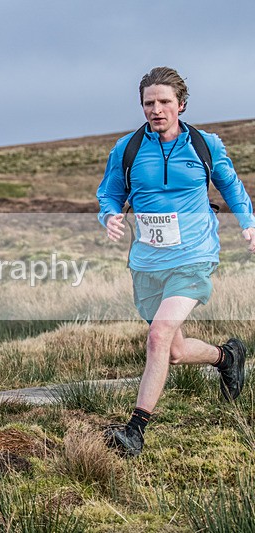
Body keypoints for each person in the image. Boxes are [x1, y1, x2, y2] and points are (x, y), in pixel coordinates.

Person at [97, 66, 255, 457]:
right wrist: (111, 216)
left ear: (181, 105)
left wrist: (248, 223)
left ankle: (135, 430)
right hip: (147, 262)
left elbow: (231, 186)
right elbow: (109, 193)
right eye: (149, 102)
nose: (156, 109)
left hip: (194, 256)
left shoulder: (205, 145)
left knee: (157, 336)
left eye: (165, 102)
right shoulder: (128, 149)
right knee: (174, 351)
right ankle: (227, 356)